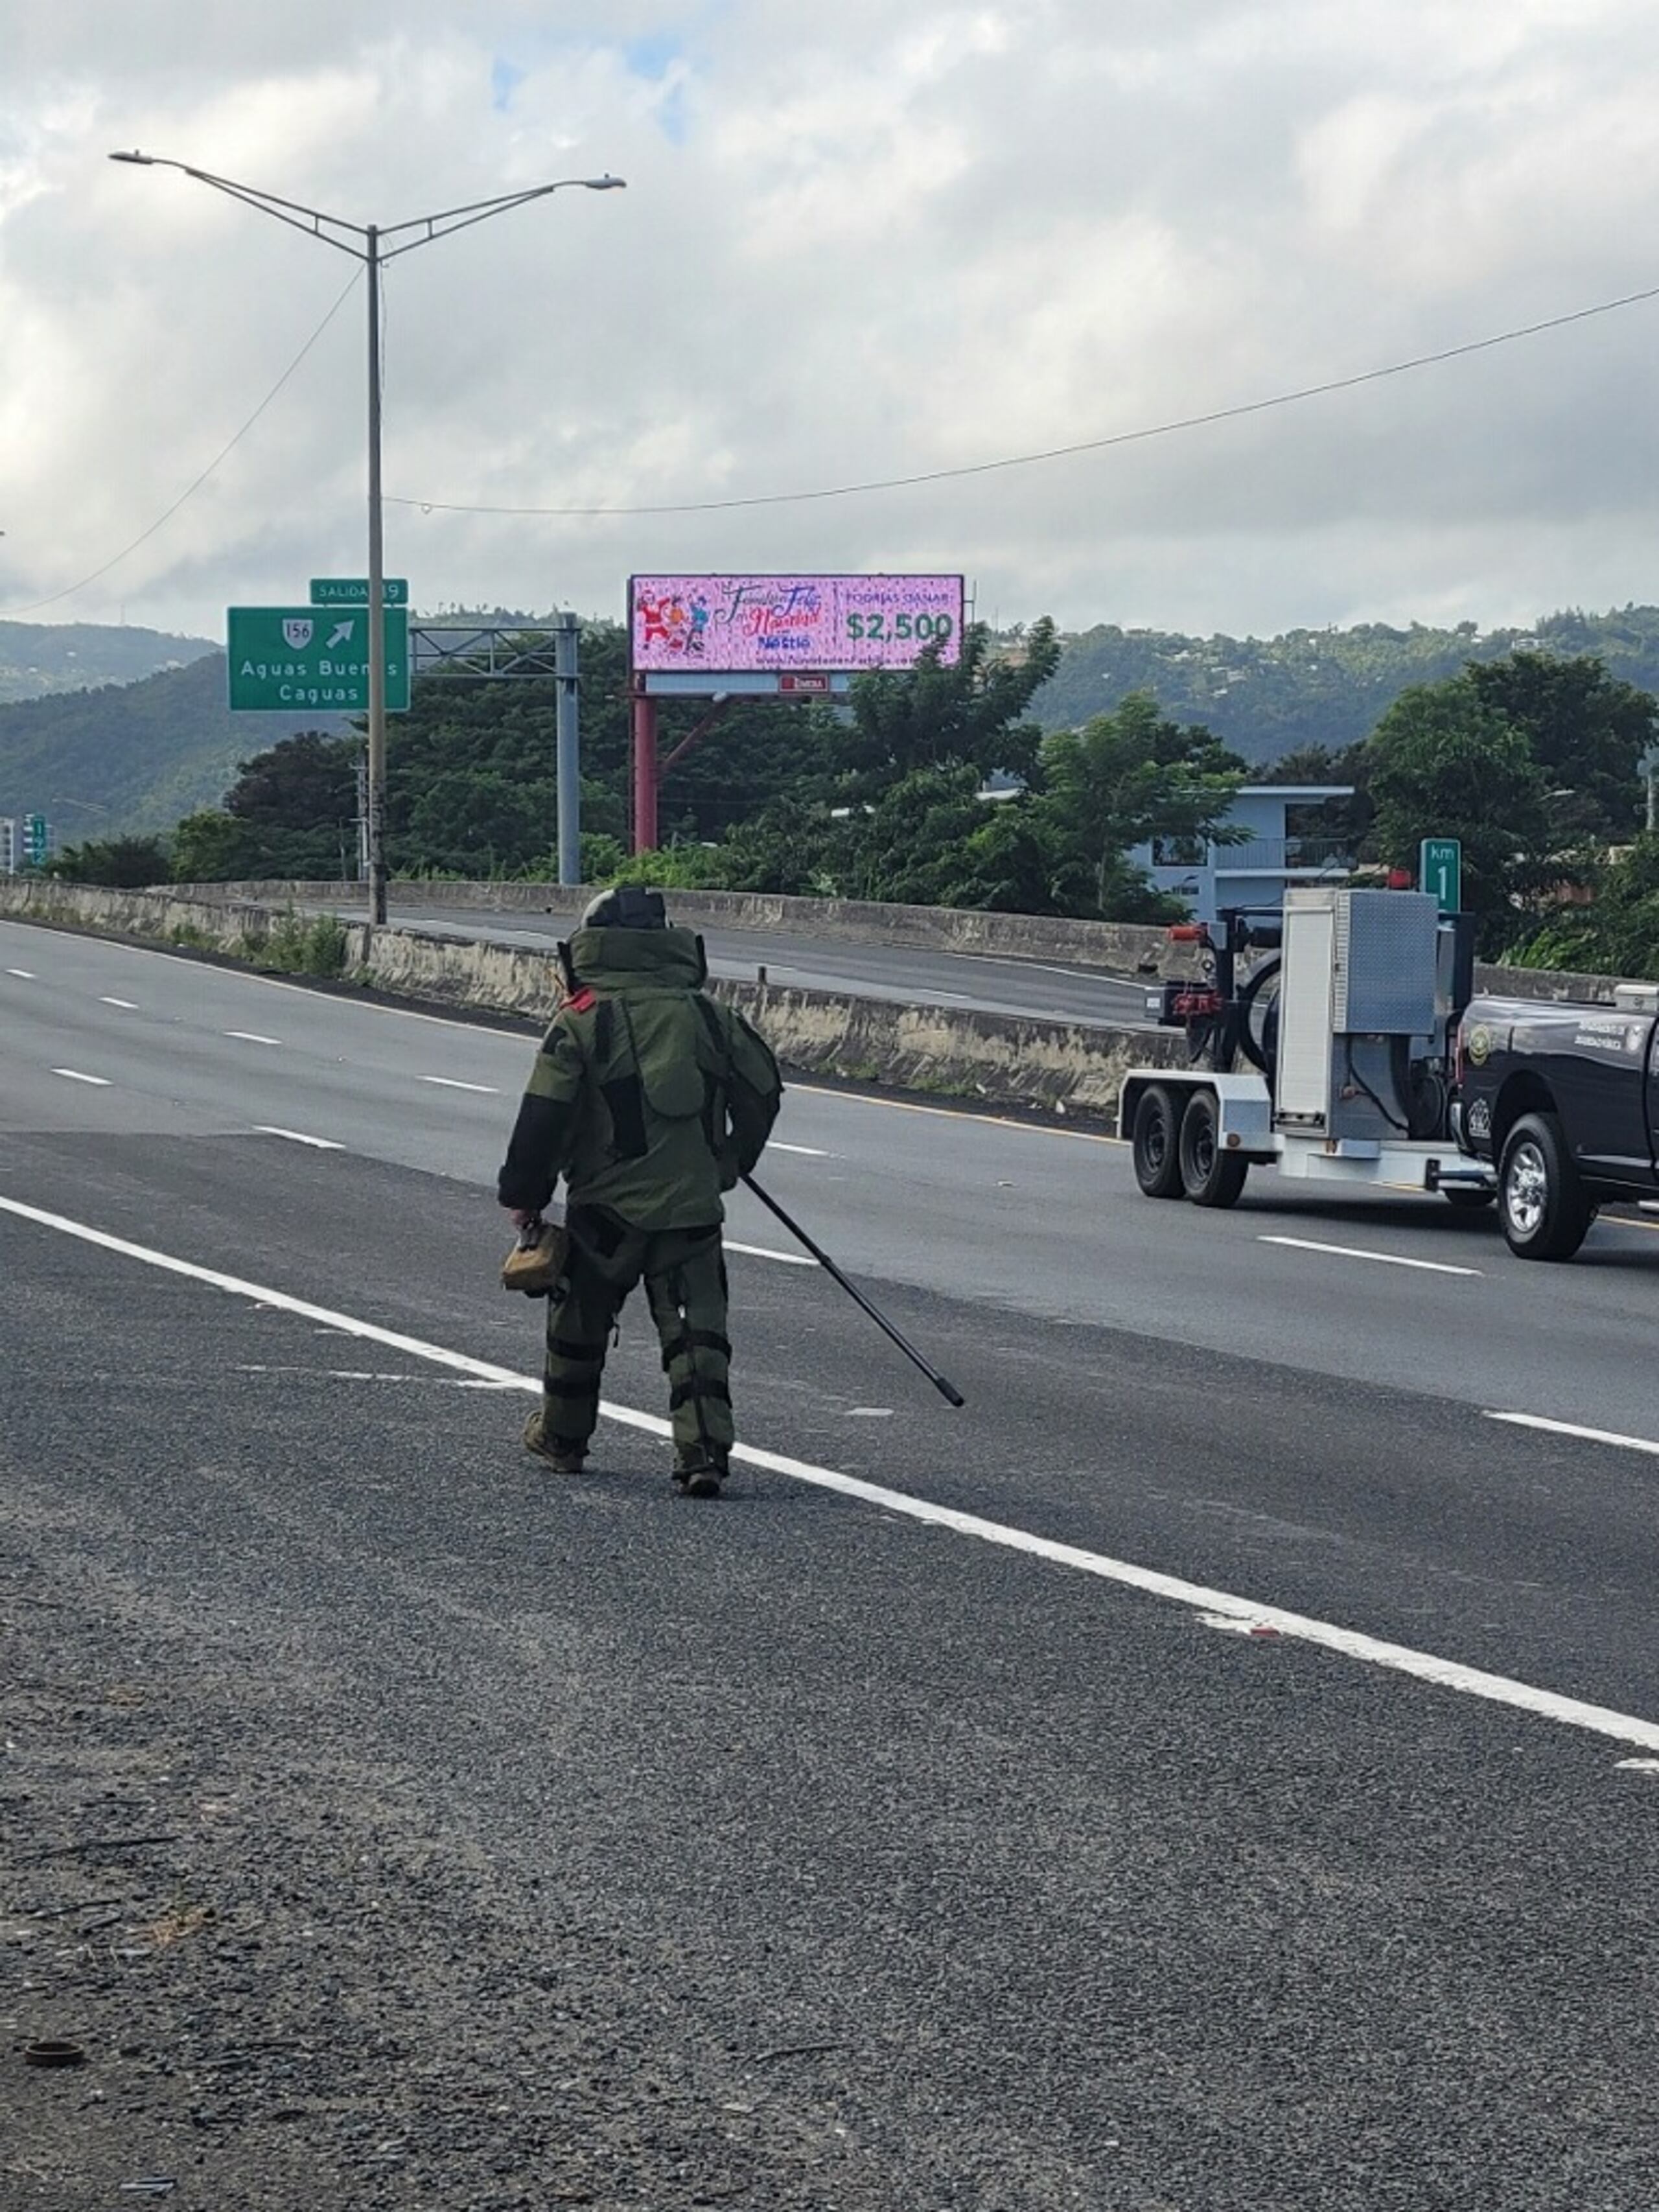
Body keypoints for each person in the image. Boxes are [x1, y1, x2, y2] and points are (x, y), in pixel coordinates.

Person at [497, 885, 782, 1497]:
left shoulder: (579, 1019)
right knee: (697, 1331)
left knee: (577, 1326)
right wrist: (729, 1161)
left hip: (605, 1210)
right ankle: (702, 1452)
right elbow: (763, 1091)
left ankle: (564, 1439)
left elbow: (543, 1116)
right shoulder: (710, 1016)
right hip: (692, 1210)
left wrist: (525, 1193)